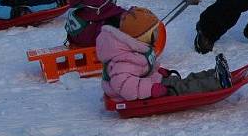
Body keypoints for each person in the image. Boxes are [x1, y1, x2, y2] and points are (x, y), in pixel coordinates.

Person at [95, 6, 232, 102]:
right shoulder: (123, 59)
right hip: (138, 93)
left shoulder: (136, 47)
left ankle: (212, 74)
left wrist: (157, 70)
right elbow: (124, 84)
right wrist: (151, 89)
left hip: (148, 82)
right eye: (154, 32)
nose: (157, 34)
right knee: (180, 88)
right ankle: (216, 82)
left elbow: (140, 70)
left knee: (182, 81)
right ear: (142, 36)